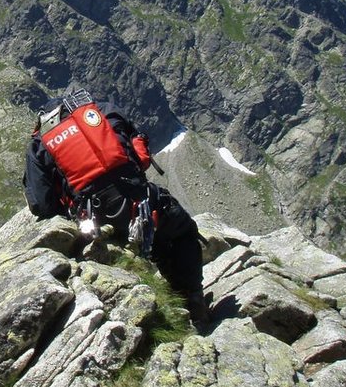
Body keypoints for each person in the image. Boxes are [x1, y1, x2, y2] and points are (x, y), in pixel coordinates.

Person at [23, 89, 209, 326]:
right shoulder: (104, 111)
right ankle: (193, 301)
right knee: (181, 231)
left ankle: (173, 307)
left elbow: (42, 204)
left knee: (154, 247)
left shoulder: (40, 144)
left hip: (96, 223)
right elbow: (140, 156)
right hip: (141, 204)